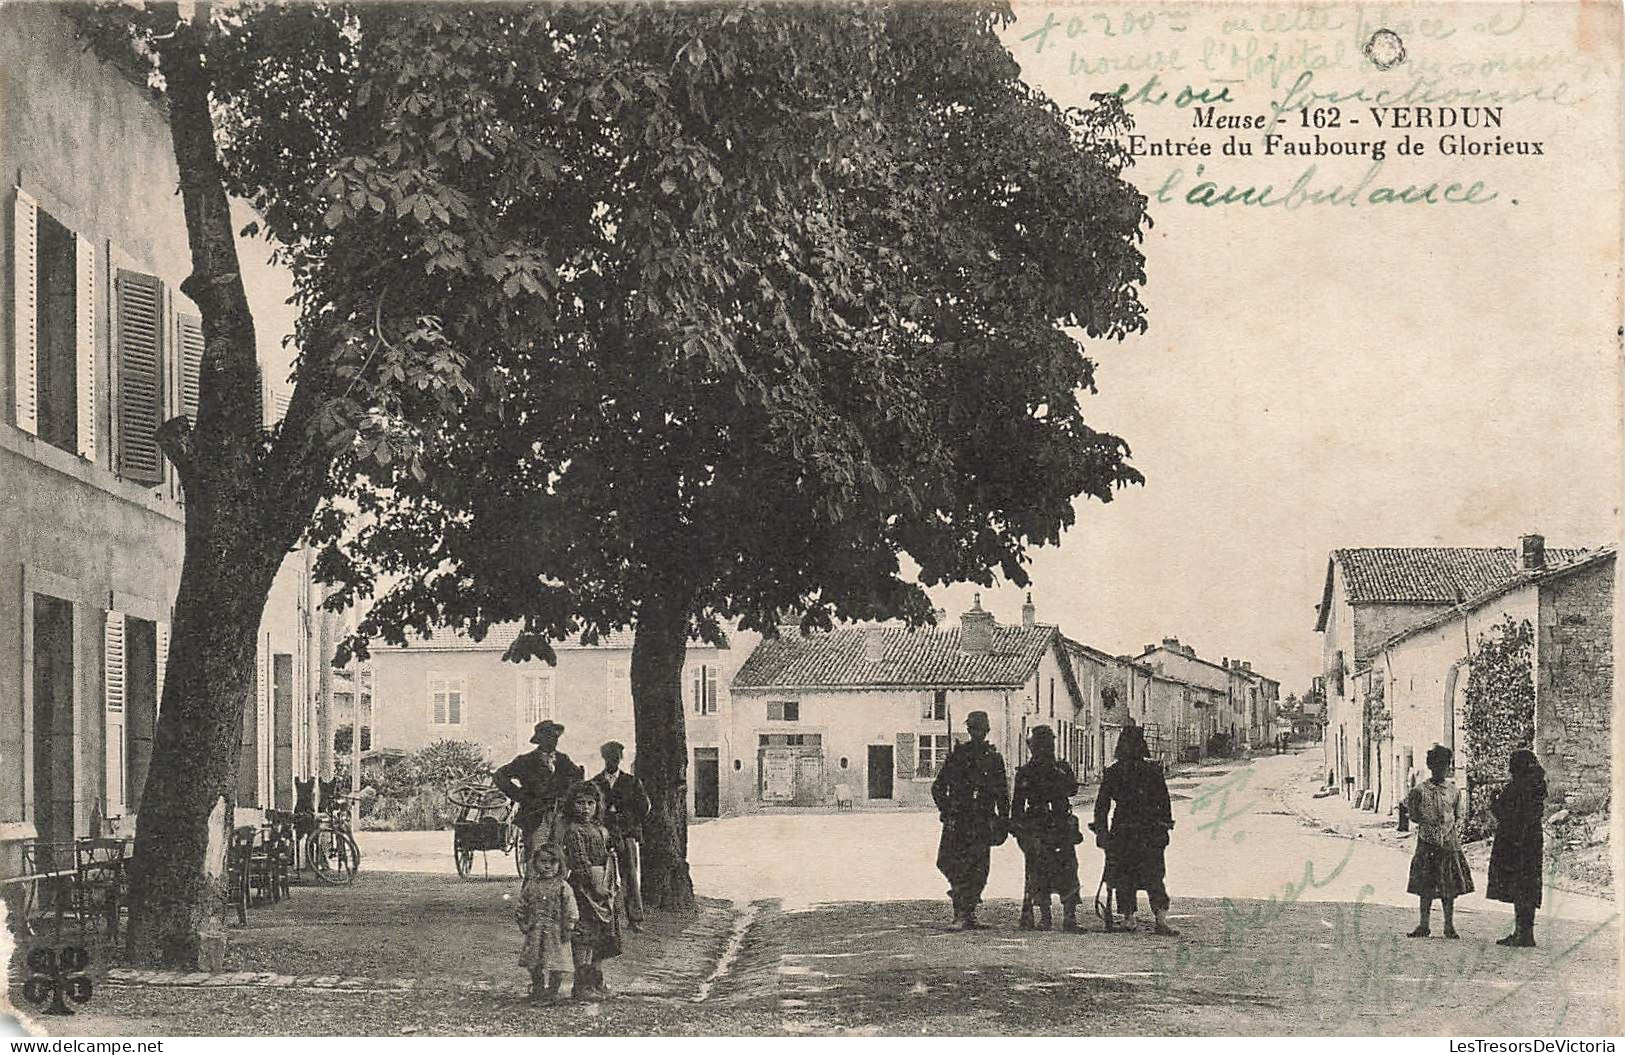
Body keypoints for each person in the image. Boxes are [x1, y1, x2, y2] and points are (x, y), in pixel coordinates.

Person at [1093, 723, 1179, 936]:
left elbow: (1102, 805)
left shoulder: (1113, 771)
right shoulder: (1153, 770)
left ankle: (1129, 918)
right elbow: (1164, 801)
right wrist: (1164, 825)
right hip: (1149, 829)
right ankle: (1160, 919)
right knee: (1154, 875)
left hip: (1124, 828)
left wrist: (1101, 831)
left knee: (1125, 874)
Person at [931, 710, 1010, 930]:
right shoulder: (957, 756)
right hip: (959, 821)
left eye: (979, 729)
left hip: (982, 821)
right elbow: (938, 787)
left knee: (979, 868)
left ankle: (969, 913)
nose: (976, 733)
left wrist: (1003, 822)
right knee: (951, 863)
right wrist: (947, 810)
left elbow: (1003, 794)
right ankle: (960, 912)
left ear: (986, 731)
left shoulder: (994, 759)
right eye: (972, 729)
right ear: (968, 730)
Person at [1012, 725, 1084, 932]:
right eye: (1042, 744)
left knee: (1068, 869)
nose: (1046, 748)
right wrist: (1019, 831)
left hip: (1060, 824)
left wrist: (1058, 773)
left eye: (1049, 744)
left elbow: (1072, 788)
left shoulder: (1060, 767)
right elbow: (1017, 805)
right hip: (1038, 825)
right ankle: (1046, 917)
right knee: (1039, 871)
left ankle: (1069, 917)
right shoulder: (1026, 772)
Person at [1403, 744, 1473, 938]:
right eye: (1438, 765)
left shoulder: (1453, 790)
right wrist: (1429, 823)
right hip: (1427, 842)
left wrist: (1446, 829)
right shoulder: (1419, 791)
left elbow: (1459, 814)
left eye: (1445, 765)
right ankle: (1423, 925)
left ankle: (1449, 925)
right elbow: (1414, 815)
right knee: (1426, 885)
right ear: (1430, 766)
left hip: (1449, 843)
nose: (1442, 769)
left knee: (1448, 886)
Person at [562, 781, 622, 999]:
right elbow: (579, 862)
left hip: (604, 885)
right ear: (571, 805)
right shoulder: (574, 831)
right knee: (584, 936)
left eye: (590, 803)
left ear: (598, 805)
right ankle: (582, 985)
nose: (585, 808)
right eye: (579, 803)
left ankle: (597, 981)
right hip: (584, 890)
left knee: (602, 935)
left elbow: (608, 855)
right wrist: (593, 885)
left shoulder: (601, 829)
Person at [494, 720, 584, 855]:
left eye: (556, 737)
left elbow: (577, 778)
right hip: (533, 813)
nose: (554, 741)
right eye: (549, 737)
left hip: (560, 814)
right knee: (535, 852)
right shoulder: (525, 761)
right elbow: (499, 776)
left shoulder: (563, 759)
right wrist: (520, 796)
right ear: (540, 740)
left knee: (561, 850)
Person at [1487, 748, 1547, 947]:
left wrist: (1494, 800)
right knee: (1528, 887)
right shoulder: (1537, 785)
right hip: (1532, 842)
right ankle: (1525, 932)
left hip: (1514, 842)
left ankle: (1522, 933)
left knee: (1518, 887)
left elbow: (1504, 813)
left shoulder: (1516, 787)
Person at [591, 741, 652, 932]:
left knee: (630, 876)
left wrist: (626, 819)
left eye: (616, 757)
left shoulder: (631, 782)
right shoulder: (595, 782)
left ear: (621, 758)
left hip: (626, 834)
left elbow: (644, 807)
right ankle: (604, 916)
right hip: (603, 835)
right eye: (609, 757)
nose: (613, 761)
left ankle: (635, 918)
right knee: (603, 876)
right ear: (604, 758)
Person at [516, 842, 577, 1003]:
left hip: (556, 931)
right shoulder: (531, 885)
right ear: (535, 863)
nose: (548, 866)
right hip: (536, 930)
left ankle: (553, 991)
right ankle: (538, 988)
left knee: (556, 962)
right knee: (534, 961)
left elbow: (570, 909)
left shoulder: (563, 887)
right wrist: (523, 922)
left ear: (560, 864)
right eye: (543, 862)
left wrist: (569, 926)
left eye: (552, 862)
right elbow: (523, 904)